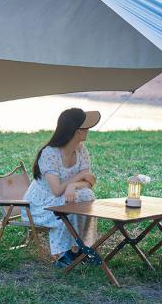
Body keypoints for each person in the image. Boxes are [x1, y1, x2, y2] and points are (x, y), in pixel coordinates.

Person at [21, 107, 101, 268]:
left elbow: (90, 181)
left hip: (64, 198)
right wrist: (76, 180)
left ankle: (81, 248)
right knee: (72, 199)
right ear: (77, 131)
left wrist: (74, 186)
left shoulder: (81, 150)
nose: (88, 130)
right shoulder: (49, 153)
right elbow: (56, 190)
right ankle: (65, 253)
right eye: (86, 127)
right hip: (41, 205)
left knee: (87, 195)